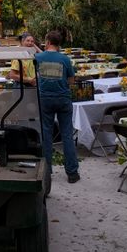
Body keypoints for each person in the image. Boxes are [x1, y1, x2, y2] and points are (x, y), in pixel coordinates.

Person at [35, 30, 80, 183]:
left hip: (45, 99)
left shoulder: (38, 57)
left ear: (47, 42)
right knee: (67, 134)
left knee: (46, 135)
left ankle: (47, 172)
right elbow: (71, 81)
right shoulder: (65, 59)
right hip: (63, 99)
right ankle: (72, 172)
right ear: (59, 44)